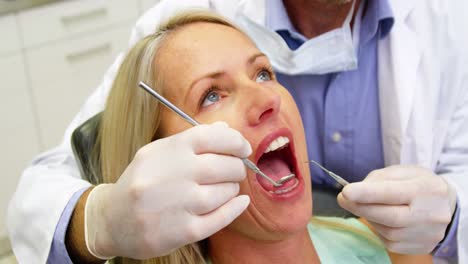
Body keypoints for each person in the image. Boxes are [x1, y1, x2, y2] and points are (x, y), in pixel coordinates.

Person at [7, 0, 467, 263]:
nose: (266, 98)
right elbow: (43, 190)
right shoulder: (192, 15)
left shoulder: (380, 252)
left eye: (264, 73)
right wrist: (103, 220)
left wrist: (452, 218)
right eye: (211, 94)